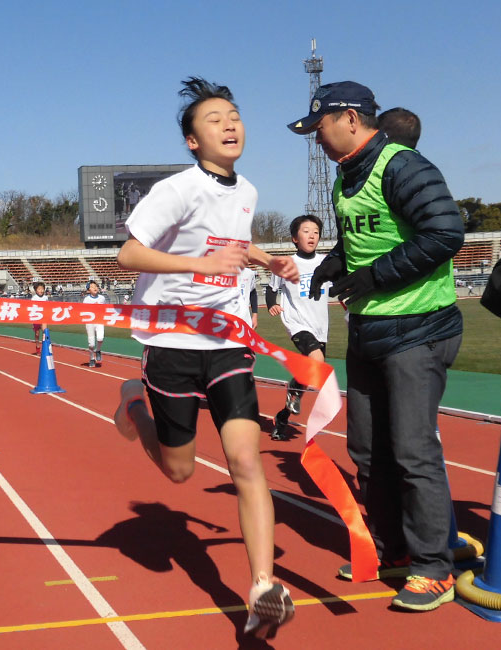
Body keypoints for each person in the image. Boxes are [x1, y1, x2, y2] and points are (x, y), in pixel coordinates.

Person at [114, 77, 300, 639]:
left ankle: (262, 586)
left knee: (247, 461)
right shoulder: (176, 189)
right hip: (171, 343)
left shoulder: (248, 191)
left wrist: (269, 260)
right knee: (180, 472)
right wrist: (201, 268)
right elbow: (128, 253)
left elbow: (232, 244)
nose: (229, 124)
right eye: (215, 119)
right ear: (192, 141)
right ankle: (133, 407)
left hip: (227, 340)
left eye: (235, 115)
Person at [288, 81, 464, 611]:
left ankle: (434, 568)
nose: (315, 137)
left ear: (348, 118)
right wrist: (337, 266)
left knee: (412, 450)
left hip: (418, 328)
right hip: (369, 331)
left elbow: (445, 232)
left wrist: (375, 277)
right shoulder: (347, 176)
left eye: (318, 126)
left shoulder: (402, 165)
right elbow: (361, 237)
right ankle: (392, 551)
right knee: (366, 451)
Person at [265, 215, 330, 441]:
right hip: (297, 323)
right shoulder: (286, 264)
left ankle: (282, 418)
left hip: (321, 326)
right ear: (294, 238)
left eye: (316, 231)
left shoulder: (326, 262)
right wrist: (272, 304)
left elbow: (340, 286)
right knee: (317, 360)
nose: (312, 235)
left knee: (312, 373)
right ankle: (293, 391)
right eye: (306, 231)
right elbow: (271, 288)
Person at [82, 279, 107, 367]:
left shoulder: (102, 298)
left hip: (99, 321)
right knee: (91, 343)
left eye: (96, 286)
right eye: (92, 287)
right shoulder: (86, 299)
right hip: (90, 322)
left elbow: (105, 309)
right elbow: (84, 311)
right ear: (89, 290)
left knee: (100, 338)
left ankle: (98, 350)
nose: (95, 288)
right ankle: (92, 358)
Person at [30, 280, 48, 354]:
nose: (41, 290)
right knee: (37, 334)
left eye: (42, 289)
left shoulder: (46, 298)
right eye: (39, 289)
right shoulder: (34, 298)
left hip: (44, 317)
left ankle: (45, 348)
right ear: (36, 290)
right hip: (36, 317)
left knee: (45, 332)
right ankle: (37, 346)